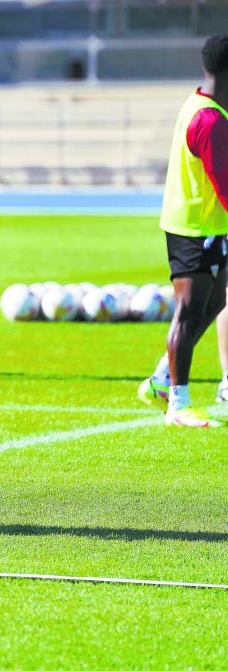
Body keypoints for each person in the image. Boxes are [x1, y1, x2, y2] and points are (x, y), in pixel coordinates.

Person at [138, 33, 228, 427]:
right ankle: (178, 402)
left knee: (213, 304)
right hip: (194, 228)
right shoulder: (209, 120)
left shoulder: (202, 105)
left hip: (205, 225)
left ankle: (160, 379)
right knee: (190, 313)